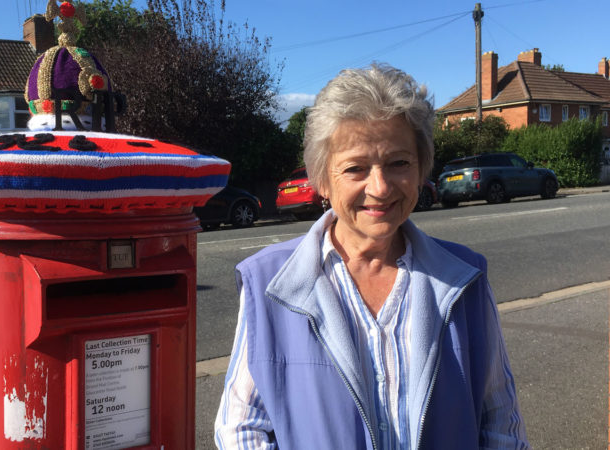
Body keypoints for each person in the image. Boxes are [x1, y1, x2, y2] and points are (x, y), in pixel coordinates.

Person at [214, 64, 528, 449]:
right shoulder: (268, 284)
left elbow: (500, 421)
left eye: (398, 163)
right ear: (323, 180)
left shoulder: (466, 279)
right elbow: (240, 428)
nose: (380, 188)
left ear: (420, 168)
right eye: (355, 168)